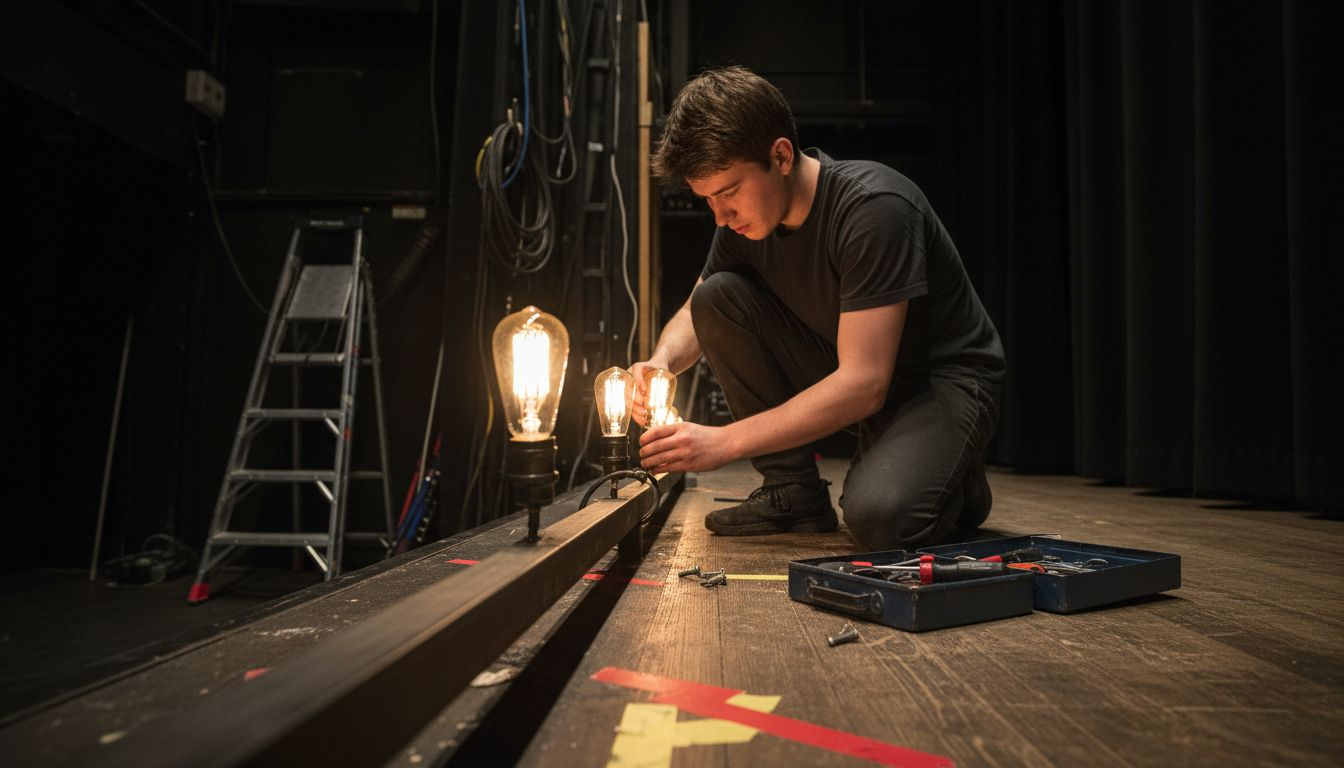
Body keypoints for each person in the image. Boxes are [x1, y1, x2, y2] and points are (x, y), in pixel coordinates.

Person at [631, 65, 1005, 550]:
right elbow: (693, 312)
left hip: (942, 382)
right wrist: (660, 365)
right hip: (856, 369)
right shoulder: (742, 226)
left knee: (880, 521)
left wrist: (723, 442)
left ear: (781, 156)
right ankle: (793, 492)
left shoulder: (875, 209)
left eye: (728, 192)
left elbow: (864, 384)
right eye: (707, 200)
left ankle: (957, 478)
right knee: (715, 296)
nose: (720, 215)